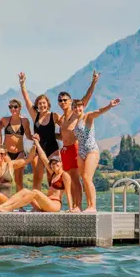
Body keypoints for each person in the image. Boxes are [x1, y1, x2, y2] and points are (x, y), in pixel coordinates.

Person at [0, 134, 77, 213]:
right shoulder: (53, 174)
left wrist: (71, 208)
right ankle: (4, 205)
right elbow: (43, 157)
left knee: (35, 192)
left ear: (61, 163)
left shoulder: (64, 175)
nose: (54, 165)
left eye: (56, 162)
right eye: (52, 163)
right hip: (45, 203)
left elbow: (68, 192)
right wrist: (36, 142)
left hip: (54, 205)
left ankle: (8, 208)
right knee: (25, 190)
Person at [56, 69, 100, 210]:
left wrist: (93, 82)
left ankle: (79, 205)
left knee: (77, 178)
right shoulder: (61, 119)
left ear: (70, 102)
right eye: (60, 101)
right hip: (65, 150)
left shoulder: (76, 114)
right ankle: (75, 205)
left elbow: (87, 97)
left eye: (65, 100)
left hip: (76, 148)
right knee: (71, 179)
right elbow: (62, 135)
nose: (62, 102)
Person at [70, 97, 121, 212]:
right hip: (81, 152)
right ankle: (87, 205)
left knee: (88, 178)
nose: (77, 108)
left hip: (91, 150)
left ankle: (93, 206)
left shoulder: (87, 116)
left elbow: (98, 112)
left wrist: (109, 106)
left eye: (79, 106)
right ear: (72, 109)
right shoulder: (76, 122)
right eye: (75, 106)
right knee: (83, 179)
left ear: (82, 107)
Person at [18, 72, 60, 190]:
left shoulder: (54, 116)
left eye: (44, 103)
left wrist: (61, 136)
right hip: (38, 149)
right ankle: (36, 205)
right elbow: (26, 100)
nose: (42, 105)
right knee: (37, 176)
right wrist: (22, 85)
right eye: (40, 103)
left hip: (52, 149)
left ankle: (52, 200)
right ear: (37, 105)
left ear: (48, 104)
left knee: (52, 174)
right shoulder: (35, 115)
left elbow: (66, 124)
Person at [0, 99, 33, 192]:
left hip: (19, 153)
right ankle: (3, 201)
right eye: (10, 107)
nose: (13, 109)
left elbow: (29, 136)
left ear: (20, 108)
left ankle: (20, 205)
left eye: (15, 107)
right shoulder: (5, 120)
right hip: (6, 153)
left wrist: (38, 138)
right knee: (6, 178)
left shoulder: (25, 121)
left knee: (19, 180)